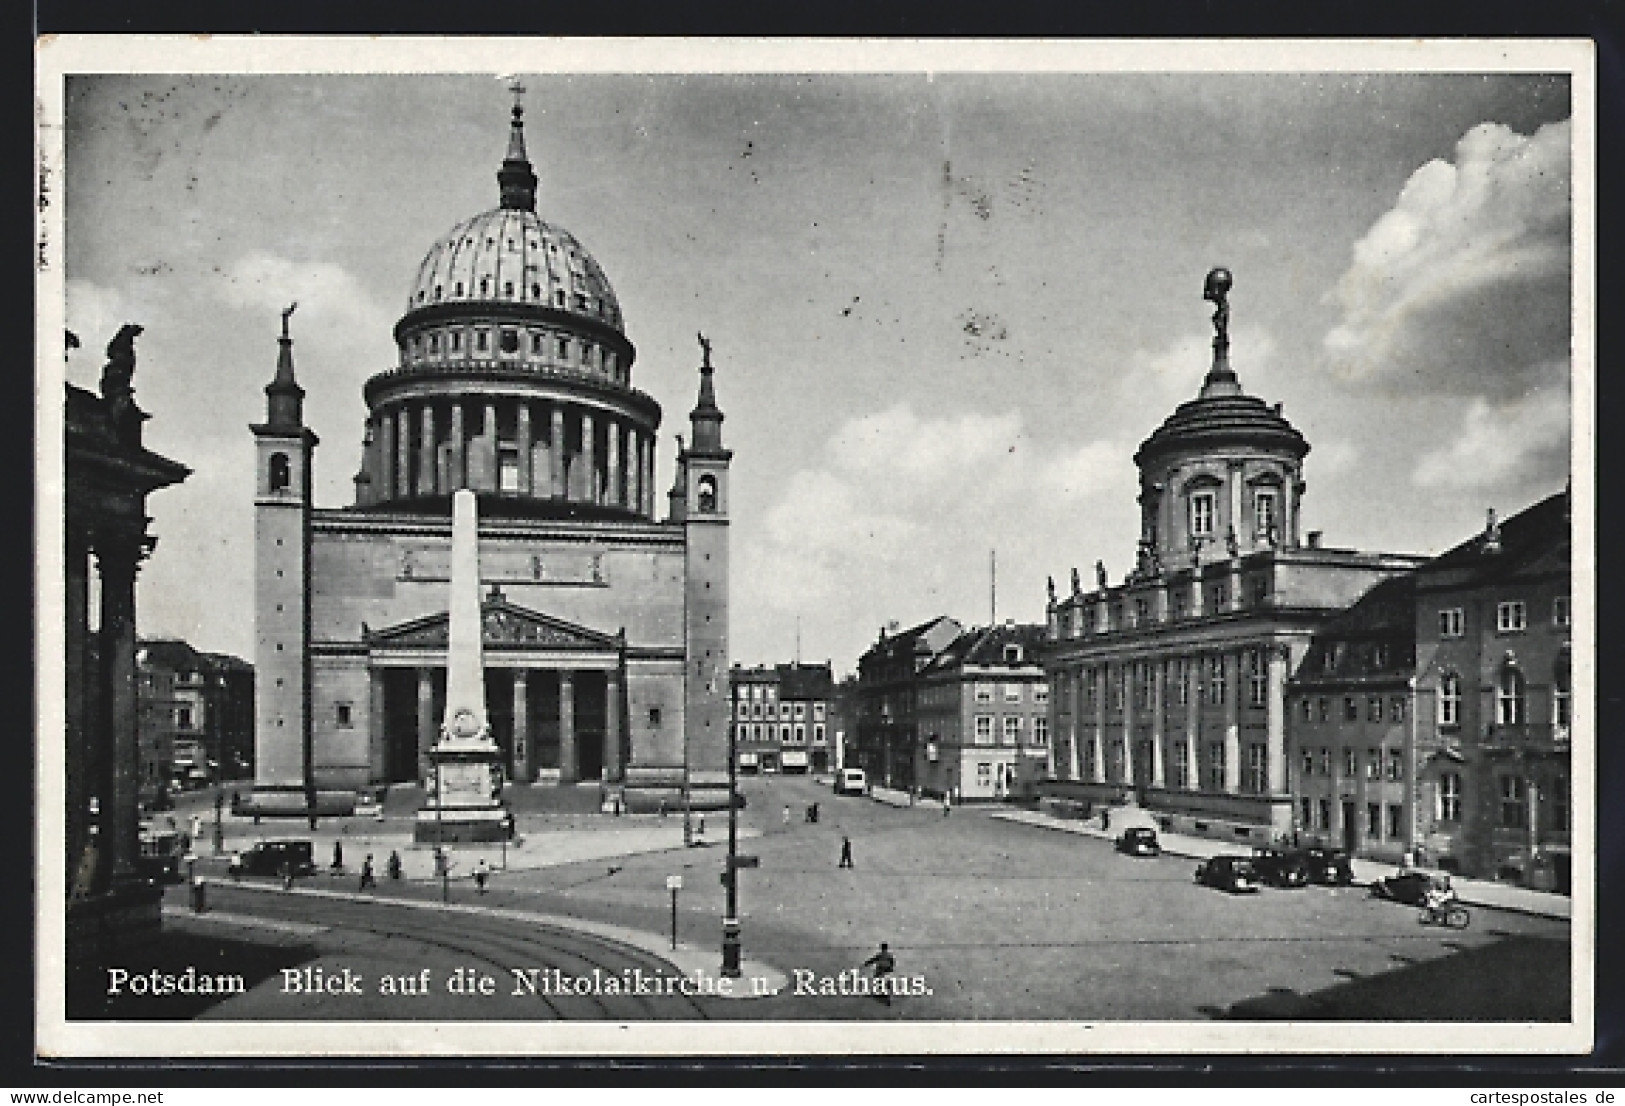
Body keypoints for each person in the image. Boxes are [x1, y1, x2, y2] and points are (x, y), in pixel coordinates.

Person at [861, 942, 897, 1006]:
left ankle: (880, 993)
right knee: (885, 982)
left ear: (881, 948)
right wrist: (891, 968)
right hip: (886, 970)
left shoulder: (880, 955)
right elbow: (893, 962)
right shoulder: (889, 955)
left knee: (877, 979)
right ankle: (886, 995)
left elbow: (872, 960)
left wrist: (865, 964)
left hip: (880, 970)